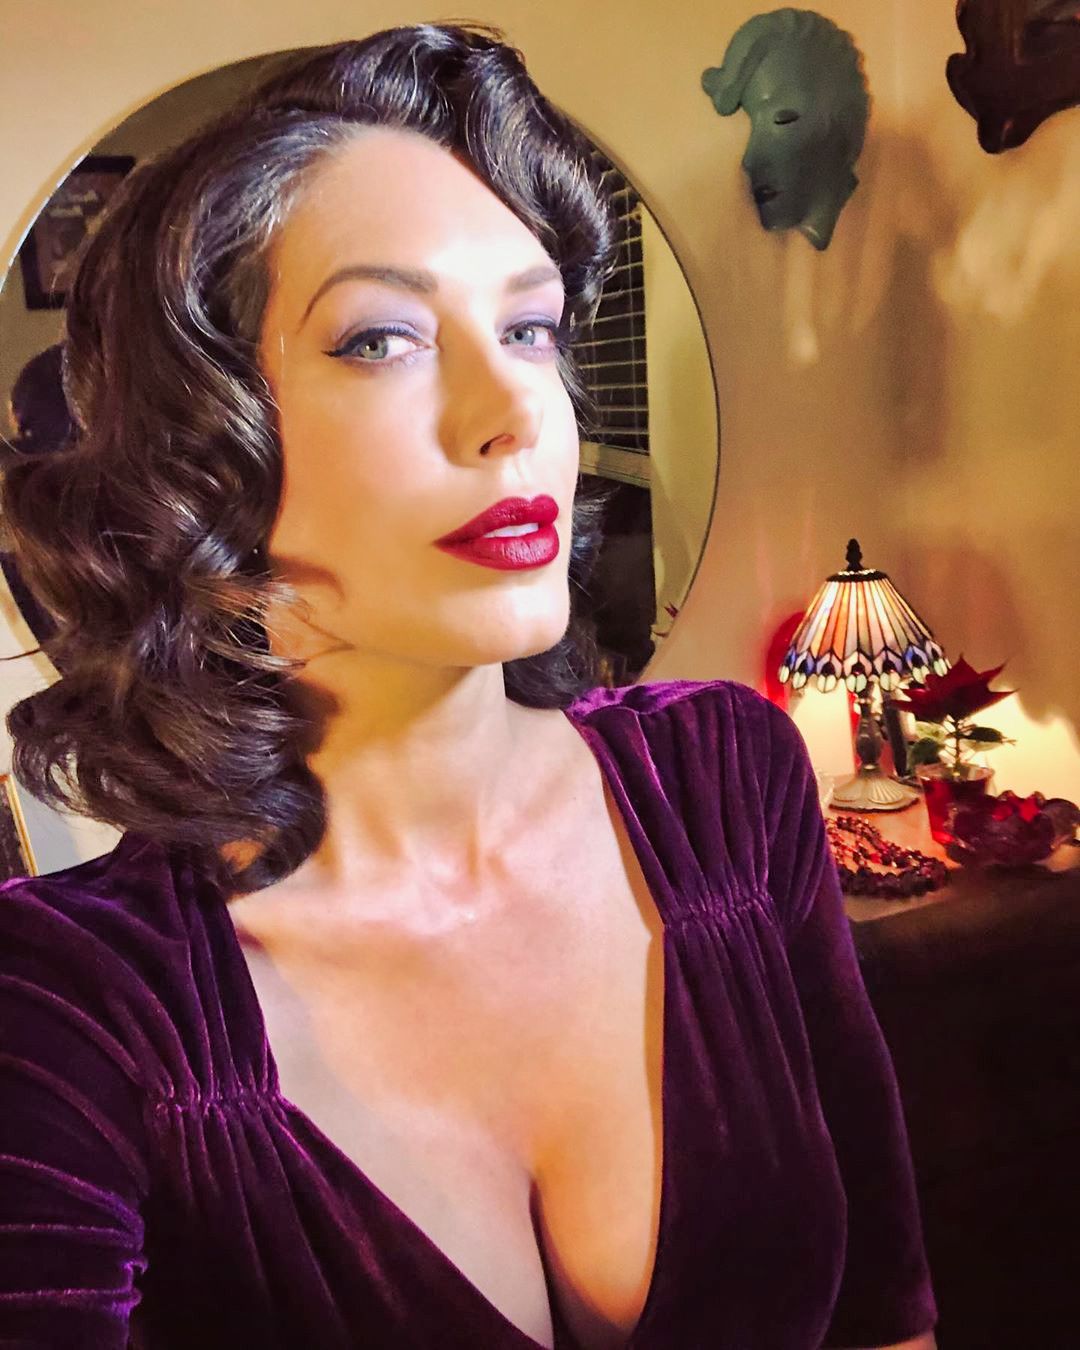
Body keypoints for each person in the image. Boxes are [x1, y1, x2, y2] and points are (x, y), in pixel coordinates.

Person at [0, 23, 937, 1350]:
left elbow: (888, 1313)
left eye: (531, 326)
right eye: (382, 338)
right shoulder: (66, 1006)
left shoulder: (728, 777)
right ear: (202, 452)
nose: (515, 410)